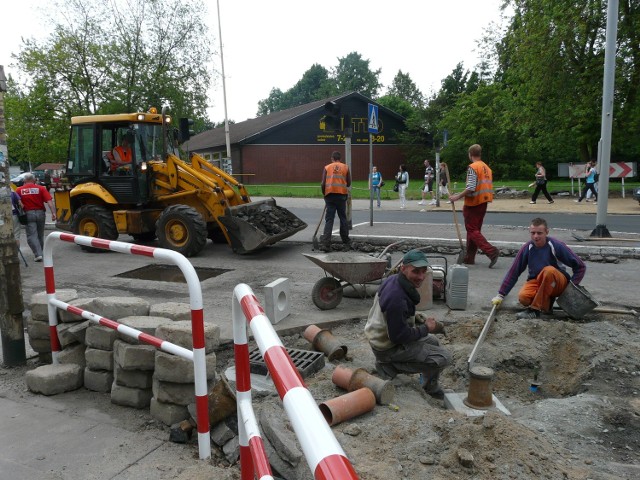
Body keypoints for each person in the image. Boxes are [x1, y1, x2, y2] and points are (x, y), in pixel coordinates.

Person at [364, 249, 452, 399]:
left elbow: (393, 317)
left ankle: (430, 386)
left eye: (424, 271)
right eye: (416, 272)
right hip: (387, 348)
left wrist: (414, 318)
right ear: (403, 269)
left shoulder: (394, 280)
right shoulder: (396, 298)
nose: (421, 277)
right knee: (444, 358)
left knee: (434, 341)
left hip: (382, 337)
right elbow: (398, 336)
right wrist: (425, 328)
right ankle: (389, 367)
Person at [492, 217, 586, 319]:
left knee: (548, 271)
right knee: (524, 298)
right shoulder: (527, 248)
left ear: (547, 232)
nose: (536, 236)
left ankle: (535, 310)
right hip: (538, 281)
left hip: (558, 283)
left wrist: (571, 289)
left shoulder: (556, 246)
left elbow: (580, 266)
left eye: (539, 233)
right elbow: (514, 271)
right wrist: (500, 295)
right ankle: (547, 304)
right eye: (533, 233)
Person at [449, 144, 500, 268]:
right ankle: (469, 257)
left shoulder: (473, 167)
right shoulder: (486, 167)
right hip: (483, 202)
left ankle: (491, 251)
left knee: (471, 229)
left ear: (470, 154)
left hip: (473, 203)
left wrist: (456, 197)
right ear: (480, 154)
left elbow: (471, 188)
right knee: (474, 230)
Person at [16, 173, 57, 262]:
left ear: (24, 181)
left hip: (28, 214)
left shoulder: (19, 190)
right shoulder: (41, 188)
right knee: (40, 235)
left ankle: (38, 254)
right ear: (34, 180)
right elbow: (49, 201)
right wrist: (53, 213)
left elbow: (18, 203)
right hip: (41, 213)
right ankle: (42, 253)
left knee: (31, 236)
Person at [320, 151, 351, 251]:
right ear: (340, 158)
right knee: (342, 218)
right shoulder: (345, 167)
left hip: (330, 196)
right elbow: (349, 183)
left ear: (332, 158)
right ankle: (346, 241)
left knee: (329, 219)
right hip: (341, 196)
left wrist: (324, 194)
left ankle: (325, 244)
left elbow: (323, 183)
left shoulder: (327, 167)